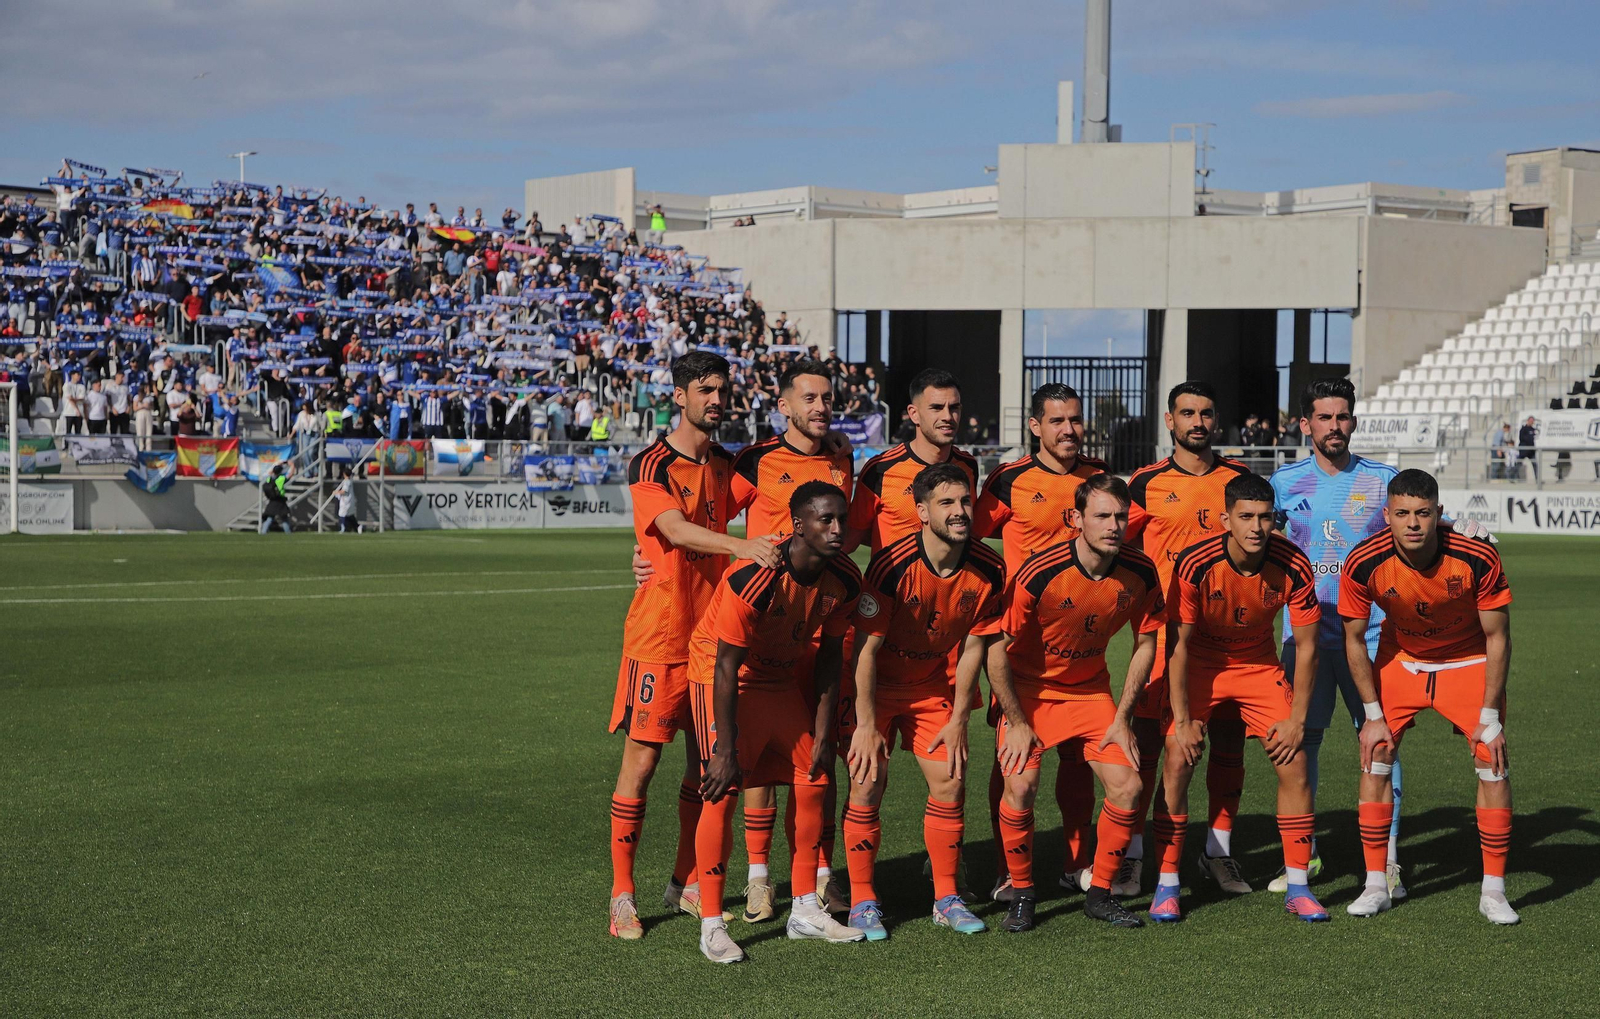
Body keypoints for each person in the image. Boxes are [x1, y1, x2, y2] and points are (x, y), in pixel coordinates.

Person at [606, 352, 780, 941]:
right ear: (678, 396)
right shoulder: (651, 462)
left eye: (722, 389)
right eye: (704, 389)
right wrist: (740, 548)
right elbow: (674, 529)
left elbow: (768, 500)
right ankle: (622, 897)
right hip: (659, 637)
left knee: (707, 768)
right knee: (643, 762)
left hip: (714, 643)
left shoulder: (729, 466)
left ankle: (682, 884)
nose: (716, 399)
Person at [688, 481, 865, 963]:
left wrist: (825, 733)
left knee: (815, 776)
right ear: (798, 525)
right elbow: (726, 666)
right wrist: (725, 749)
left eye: (841, 520)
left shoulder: (846, 578)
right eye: (824, 519)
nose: (836, 529)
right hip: (725, 677)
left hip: (780, 678)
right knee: (720, 789)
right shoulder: (757, 576)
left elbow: (830, 658)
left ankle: (805, 908)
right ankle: (710, 924)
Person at [984, 473, 1165, 932]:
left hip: (1090, 693)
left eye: (1121, 516)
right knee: (1021, 787)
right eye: (1102, 516)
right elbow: (996, 650)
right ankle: (1022, 895)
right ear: (1075, 519)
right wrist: (1017, 721)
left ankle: (1100, 894)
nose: (1113, 525)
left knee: (1128, 787)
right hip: (1030, 694)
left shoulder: (1140, 572)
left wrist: (1123, 717)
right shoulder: (1039, 572)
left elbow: (1147, 642)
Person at [1338, 469, 1517, 924]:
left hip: (1467, 660)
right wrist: (1372, 714)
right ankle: (1376, 884)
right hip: (1403, 660)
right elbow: (1354, 640)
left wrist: (1491, 713)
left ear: (1439, 513)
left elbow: (1498, 637)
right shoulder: (1362, 562)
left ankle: (1493, 891)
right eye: (1402, 514)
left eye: (1423, 513)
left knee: (1491, 759)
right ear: (1387, 517)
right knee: (1376, 752)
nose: (1413, 523)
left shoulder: (1476, 555)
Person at [1151, 472, 1326, 923]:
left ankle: (1299, 885)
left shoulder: (1294, 562)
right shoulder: (1195, 563)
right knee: (1177, 755)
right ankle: (1167, 883)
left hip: (1257, 665)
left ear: (1275, 519)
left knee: (1295, 760)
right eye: (1245, 517)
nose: (1255, 527)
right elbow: (1178, 646)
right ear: (1225, 519)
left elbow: (1306, 646)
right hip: (1203, 666)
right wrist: (1184, 718)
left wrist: (1297, 720)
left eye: (1265, 517)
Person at [842, 463, 1004, 940]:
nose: (959, 512)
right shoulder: (891, 565)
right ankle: (862, 900)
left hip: (931, 687)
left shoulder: (989, 568)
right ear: (921, 511)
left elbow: (975, 644)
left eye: (964, 502)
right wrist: (867, 725)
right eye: (947, 503)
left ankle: (946, 897)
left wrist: (958, 717)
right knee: (867, 783)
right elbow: (866, 652)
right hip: (875, 688)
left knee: (952, 781)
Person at [1266, 378, 1405, 898]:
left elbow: (1422, 528)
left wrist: (1466, 530)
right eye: (1323, 418)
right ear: (1305, 424)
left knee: (1380, 745)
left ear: (1353, 420)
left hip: (1370, 639)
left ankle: (1388, 861)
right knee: (1300, 746)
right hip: (1303, 640)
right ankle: (1305, 857)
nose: (1335, 427)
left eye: (1343, 416)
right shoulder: (1283, 483)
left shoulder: (1381, 479)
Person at [972, 383, 1110, 901]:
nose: (1068, 430)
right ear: (1035, 426)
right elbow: (970, 538)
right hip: (1019, 648)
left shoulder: (1099, 478)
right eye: (1057, 421)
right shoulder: (1008, 480)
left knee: (1077, 756)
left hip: (1082, 645)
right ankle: (1007, 867)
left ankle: (1077, 864)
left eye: (1075, 420)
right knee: (1011, 756)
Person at [1122, 381, 1254, 899]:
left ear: (1215, 421)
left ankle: (1217, 852)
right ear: (1169, 421)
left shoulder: (1240, 479)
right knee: (1149, 745)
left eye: (1205, 413)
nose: (1197, 422)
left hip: (1226, 641)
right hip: (1162, 638)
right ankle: (1133, 857)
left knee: (1226, 744)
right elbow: (1117, 546)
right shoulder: (1146, 482)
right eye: (1187, 414)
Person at [846, 369, 977, 554]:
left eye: (954, 407)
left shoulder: (968, 466)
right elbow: (850, 540)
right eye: (936, 408)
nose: (947, 416)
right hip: (892, 583)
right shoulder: (880, 469)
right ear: (914, 414)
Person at [259, 463, 292, 534]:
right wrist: (292, 465)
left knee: (270, 518)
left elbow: (270, 472)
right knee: (284, 518)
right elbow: (290, 475)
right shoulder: (281, 478)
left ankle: (263, 532)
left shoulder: (269, 479)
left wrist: (279, 464)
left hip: (272, 500)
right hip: (280, 500)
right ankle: (288, 533)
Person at [333, 467, 358, 533]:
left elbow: (344, 491)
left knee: (342, 514)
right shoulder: (349, 481)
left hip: (346, 502)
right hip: (349, 501)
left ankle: (343, 528)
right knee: (350, 515)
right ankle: (357, 527)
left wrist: (336, 492)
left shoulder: (347, 482)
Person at [1515, 416, 1538, 481]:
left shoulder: (1533, 429)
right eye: (1530, 421)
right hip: (1524, 450)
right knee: (1518, 463)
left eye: (1532, 421)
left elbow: (1533, 439)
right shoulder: (1523, 429)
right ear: (1528, 421)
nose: (1532, 422)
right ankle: (1513, 477)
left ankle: (1537, 479)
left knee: (1535, 464)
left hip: (1531, 451)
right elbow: (1522, 438)